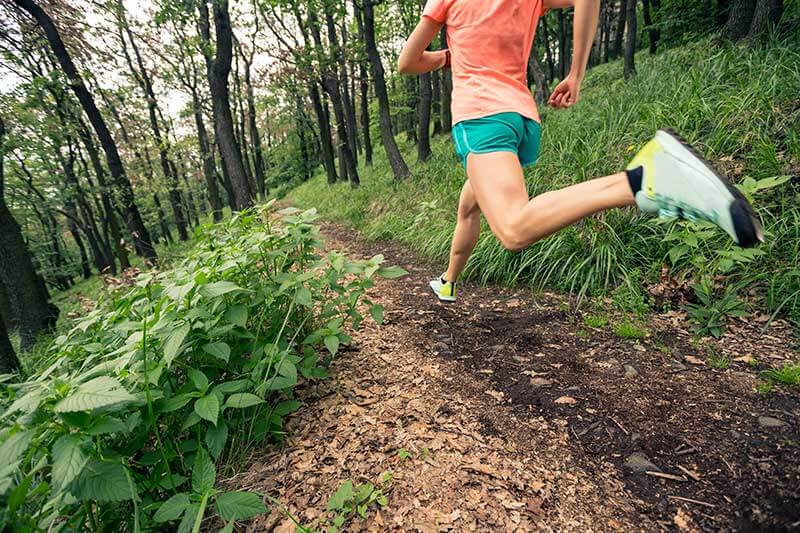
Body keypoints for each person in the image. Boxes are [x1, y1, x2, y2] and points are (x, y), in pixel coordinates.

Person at [397, 0, 763, 303]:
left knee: (512, 228)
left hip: (480, 116)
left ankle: (642, 180)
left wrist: (446, 58)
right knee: (469, 206)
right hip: (520, 118)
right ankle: (448, 280)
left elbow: (407, 62)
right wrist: (576, 75)